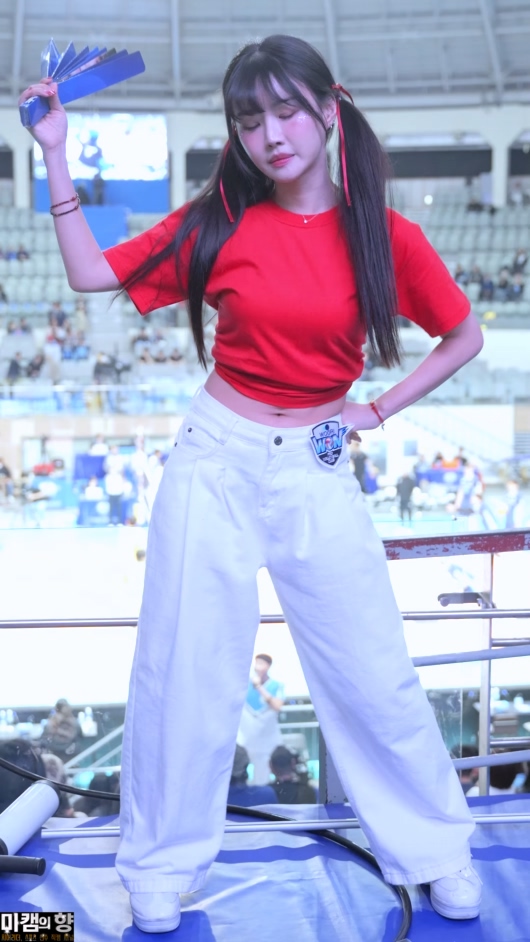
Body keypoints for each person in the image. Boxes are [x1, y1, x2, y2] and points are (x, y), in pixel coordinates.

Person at [21, 34, 485, 933]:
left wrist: (377, 410)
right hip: (216, 458)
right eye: (248, 119)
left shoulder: (385, 235)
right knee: (184, 671)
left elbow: (462, 336)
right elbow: (88, 274)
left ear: (328, 108)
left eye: (285, 111)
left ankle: (437, 851)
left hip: (318, 460)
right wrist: (54, 154)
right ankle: (159, 866)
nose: (269, 134)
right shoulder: (219, 221)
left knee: (373, 671)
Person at [237, 653, 284, 785]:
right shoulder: (244, 685)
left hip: (266, 738)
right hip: (246, 737)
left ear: (268, 666)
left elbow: (277, 706)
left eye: (261, 664)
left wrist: (259, 687)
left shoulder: (276, 686)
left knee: (263, 775)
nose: (257, 667)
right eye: (256, 663)